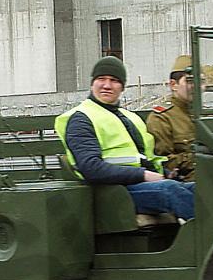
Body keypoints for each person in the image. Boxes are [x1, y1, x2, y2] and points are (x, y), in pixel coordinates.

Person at [55, 57, 195, 223]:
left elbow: (146, 158)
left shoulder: (130, 118)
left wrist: (166, 173)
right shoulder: (81, 119)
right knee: (171, 190)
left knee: (199, 189)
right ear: (92, 83)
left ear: (122, 87)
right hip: (110, 192)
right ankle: (210, 242)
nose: (107, 85)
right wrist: (143, 175)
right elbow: (90, 168)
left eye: (114, 81)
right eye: (101, 79)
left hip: (136, 186)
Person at [146, 56, 197, 182]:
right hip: (185, 180)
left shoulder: (206, 113)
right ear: (173, 85)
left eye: (201, 81)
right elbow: (164, 161)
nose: (196, 86)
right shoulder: (161, 117)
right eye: (189, 81)